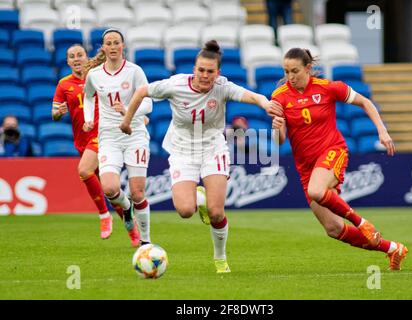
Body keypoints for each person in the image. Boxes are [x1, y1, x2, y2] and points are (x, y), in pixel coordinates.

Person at [119, 40, 273, 273]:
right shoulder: (175, 85)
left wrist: (265, 103)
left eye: (210, 71)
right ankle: (198, 198)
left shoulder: (222, 87)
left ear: (217, 73)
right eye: (201, 70)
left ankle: (220, 259)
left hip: (213, 149)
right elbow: (141, 91)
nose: (205, 75)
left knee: (217, 211)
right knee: (185, 211)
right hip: (182, 152)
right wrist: (127, 121)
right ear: (194, 69)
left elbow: (252, 96)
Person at [269, 48, 408, 270]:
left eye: (294, 71)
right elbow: (280, 140)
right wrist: (276, 128)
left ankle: (361, 222)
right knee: (334, 229)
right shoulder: (279, 97)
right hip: (306, 167)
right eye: (286, 71)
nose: (290, 77)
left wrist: (382, 130)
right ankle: (392, 248)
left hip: (332, 151)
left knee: (316, 190)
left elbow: (366, 102)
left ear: (308, 68)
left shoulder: (328, 88)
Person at [52, 43, 140, 246]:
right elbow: (54, 113)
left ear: (85, 57)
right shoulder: (64, 84)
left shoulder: (99, 77)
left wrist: (130, 115)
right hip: (82, 140)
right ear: (67, 61)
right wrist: (59, 112)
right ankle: (133, 230)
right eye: (72, 56)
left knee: (84, 170)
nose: (76, 59)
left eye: (79, 55)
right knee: (111, 191)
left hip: (103, 134)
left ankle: (103, 216)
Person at [83, 29, 153, 247]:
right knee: (110, 189)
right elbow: (88, 96)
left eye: (116, 43)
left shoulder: (134, 71)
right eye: (108, 43)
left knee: (138, 192)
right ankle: (126, 207)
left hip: (134, 135)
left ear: (123, 46)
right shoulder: (94, 75)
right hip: (109, 137)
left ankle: (146, 243)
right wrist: (88, 119)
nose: (113, 47)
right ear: (103, 48)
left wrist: (127, 111)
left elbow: (149, 104)